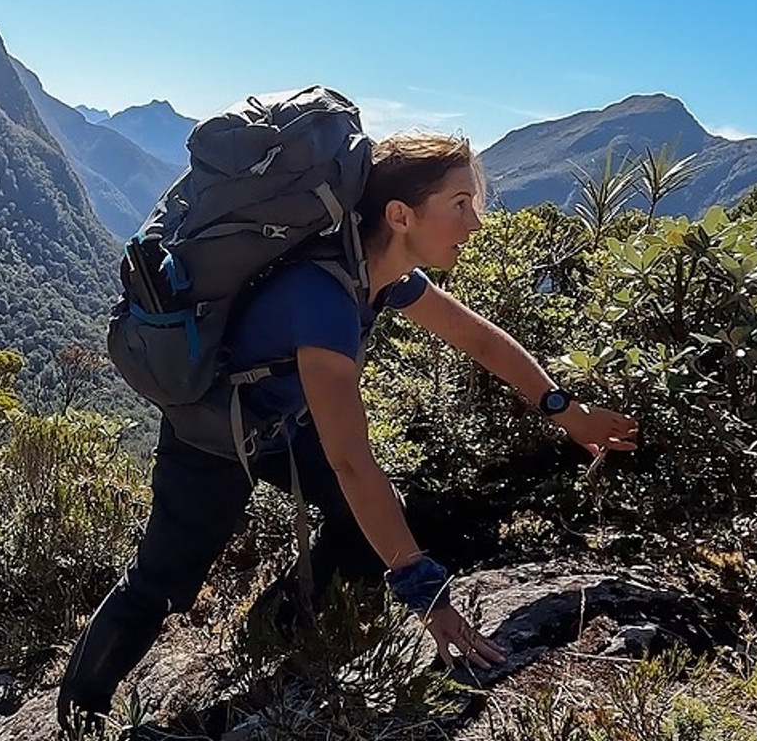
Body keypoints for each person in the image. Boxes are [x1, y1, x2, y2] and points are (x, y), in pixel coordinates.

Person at [57, 130, 640, 729]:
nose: (476, 222)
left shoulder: (379, 273)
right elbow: (352, 462)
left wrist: (567, 411)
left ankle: (281, 633)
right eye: (460, 204)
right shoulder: (324, 298)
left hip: (280, 425)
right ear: (400, 215)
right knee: (162, 582)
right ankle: (79, 713)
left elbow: (478, 338)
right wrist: (425, 592)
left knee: (370, 524)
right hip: (213, 436)